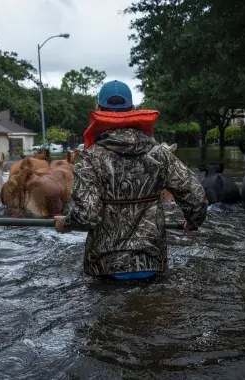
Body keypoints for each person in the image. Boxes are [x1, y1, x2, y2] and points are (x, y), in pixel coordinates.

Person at [54, 80, 208, 281]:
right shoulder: (160, 154)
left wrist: (65, 222)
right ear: (133, 110)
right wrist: (193, 221)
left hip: (104, 269)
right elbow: (196, 198)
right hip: (152, 265)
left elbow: (87, 215)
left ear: (98, 110)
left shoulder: (89, 158)